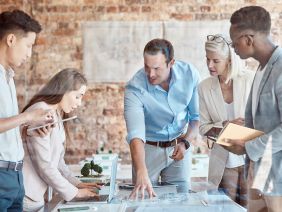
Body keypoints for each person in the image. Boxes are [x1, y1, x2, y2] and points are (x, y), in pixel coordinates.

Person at [124, 38, 200, 199]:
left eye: (156, 68)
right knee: (142, 202)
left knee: (181, 202)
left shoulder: (189, 74)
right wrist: (141, 170)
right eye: (146, 67)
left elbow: (196, 118)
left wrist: (185, 142)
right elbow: (136, 133)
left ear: (171, 63)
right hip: (148, 151)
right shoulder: (135, 87)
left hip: (179, 147)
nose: (150, 74)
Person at [224, 6, 282, 212]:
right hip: (259, 173)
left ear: (248, 39)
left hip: (278, 177)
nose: (233, 48)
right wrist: (242, 130)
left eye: (234, 42)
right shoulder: (259, 68)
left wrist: (249, 146)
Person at [22, 69, 101, 211]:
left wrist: (77, 184)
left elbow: (58, 162)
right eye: (78, 96)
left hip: (37, 195)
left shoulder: (57, 114)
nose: (79, 103)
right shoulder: (41, 111)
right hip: (28, 196)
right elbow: (44, 165)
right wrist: (75, 192)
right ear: (64, 90)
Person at [0, 10, 53, 211]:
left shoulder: (8, 77)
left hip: (15, 176)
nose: (30, 54)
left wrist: (29, 127)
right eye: (29, 45)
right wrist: (28, 116)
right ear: (11, 40)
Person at [198, 34, 254, 207]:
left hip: (250, 158)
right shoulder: (204, 87)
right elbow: (202, 127)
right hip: (223, 160)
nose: (209, 65)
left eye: (215, 61)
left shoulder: (250, 80)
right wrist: (225, 126)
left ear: (229, 59)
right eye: (207, 59)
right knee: (224, 209)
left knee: (251, 208)